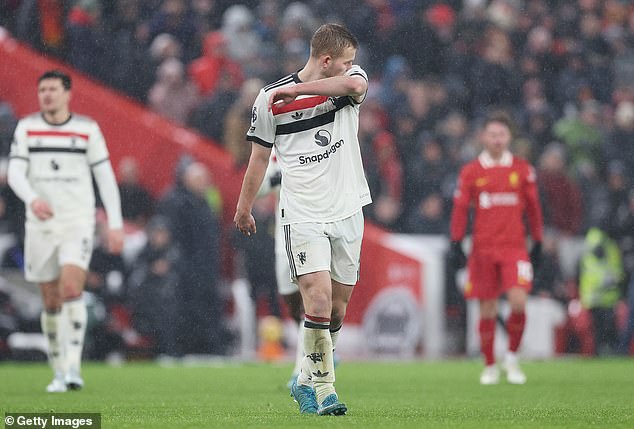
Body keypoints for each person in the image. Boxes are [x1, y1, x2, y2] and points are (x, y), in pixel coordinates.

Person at [234, 23, 370, 416]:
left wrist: (299, 90)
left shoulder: (350, 80)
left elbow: (354, 87)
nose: (352, 68)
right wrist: (243, 207)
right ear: (326, 61)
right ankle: (325, 388)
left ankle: (305, 380)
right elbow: (259, 158)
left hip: (348, 209)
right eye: (345, 62)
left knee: (339, 310)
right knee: (318, 297)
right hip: (302, 213)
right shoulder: (268, 100)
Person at [7, 70, 124, 392]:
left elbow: (105, 177)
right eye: (42, 89)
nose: (46, 94)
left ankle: (73, 369)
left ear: (67, 94)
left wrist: (114, 223)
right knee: (50, 299)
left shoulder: (86, 130)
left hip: (77, 221)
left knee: (72, 288)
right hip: (41, 225)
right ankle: (58, 368)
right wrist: (32, 199)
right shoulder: (28, 128)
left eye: (52, 89)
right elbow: (16, 170)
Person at [449, 112, 543, 385]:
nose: (497, 139)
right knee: (487, 308)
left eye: (502, 135)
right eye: (493, 135)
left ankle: (512, 357)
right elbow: (460, 209)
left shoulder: (523, 169)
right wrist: (456, 240)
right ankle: (490, 364)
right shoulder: (471, 171)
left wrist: (537, 240)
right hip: (483, 249)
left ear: (509, 137)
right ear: (483, 137)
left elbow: (534, 208)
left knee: (518, 301)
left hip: (515, 248)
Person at [255, 151, 305, 387]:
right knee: (291, 303)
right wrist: (277, 178)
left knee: (312, 300)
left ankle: (303, 366)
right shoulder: (274, 149)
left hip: (312, 231)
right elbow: (260, 188)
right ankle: (321, 347)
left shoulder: (314, 139)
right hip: (284, 238)